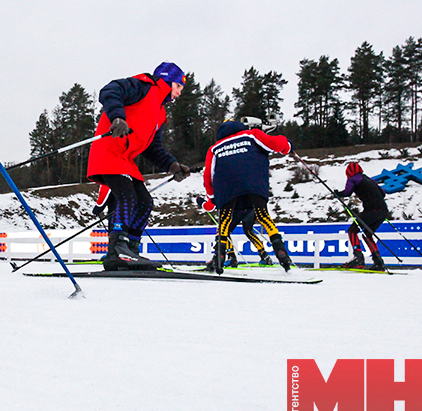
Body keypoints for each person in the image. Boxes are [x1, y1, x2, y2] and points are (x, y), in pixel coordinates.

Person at [86, 62, 191, 271]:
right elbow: (110, 90)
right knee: (127, 197)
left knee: (144, 202)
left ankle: (130, 250)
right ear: (168, 81)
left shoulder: (159, 113)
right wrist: (117, 117)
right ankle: (117, 250)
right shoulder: (145, 87)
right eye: (179, 86)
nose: (179, 93)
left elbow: (152, 148)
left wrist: (172, 165)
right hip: (109, 150)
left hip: (125, 160)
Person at [202, 120, 294, 274]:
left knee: (224, 221)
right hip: (254, 182)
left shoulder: (215, 148)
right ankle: (281, 253)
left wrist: (212, 197)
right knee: (263, 216)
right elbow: (274, 143)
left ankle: (219, 257)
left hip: (227, 187)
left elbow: (208, 175)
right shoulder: (252, 135)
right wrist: (288, 146)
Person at [197, 196, 274, 269]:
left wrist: (200, 201)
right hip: (250, 208)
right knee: (249, 231)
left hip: (235, 209)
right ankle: (264, 256)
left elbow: (210, 207)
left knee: (225, 233)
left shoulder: (221, 187)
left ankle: (231, 258)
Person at [337, 162, 389, 271]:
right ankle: (379, 262)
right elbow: (383, 193)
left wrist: (338, 194)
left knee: (352, 231)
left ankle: (358, 258)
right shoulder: (369, 179)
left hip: (371, 210)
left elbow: (347, 192)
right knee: (368, 234)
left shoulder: (353, 179)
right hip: (383, 210)